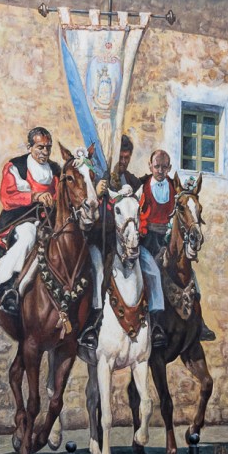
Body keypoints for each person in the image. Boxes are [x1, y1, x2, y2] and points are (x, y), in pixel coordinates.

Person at [137, 150, 216, 343]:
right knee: (153, 272)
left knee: (188, 269)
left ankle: (199, 319)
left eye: (164, 167)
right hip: (149, 240)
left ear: (169, 168)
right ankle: (155, 322)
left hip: (168, 238)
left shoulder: (175, 187)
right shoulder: (141, 187)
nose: (160, 171)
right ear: (150, 166)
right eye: (157, 166)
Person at [0, 127, 60, 315]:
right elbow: (7, 198)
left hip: (47, 221)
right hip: (19, 219)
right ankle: (7, 285)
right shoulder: (15, 167)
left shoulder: (55, 170)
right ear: (30, 147)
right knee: (28, 235)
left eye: (48, 147)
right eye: (40, 147)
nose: (45, 152)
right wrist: (35, 196)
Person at [79, 135, 141, 349]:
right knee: (98, 270)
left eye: (126, 158)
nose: (123, 162)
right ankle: (93, 323)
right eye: (120, 157)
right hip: (99, 241)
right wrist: (97, 194)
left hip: (124, 243)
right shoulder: (96, 179)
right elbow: (86, 216)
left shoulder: (131, 181)